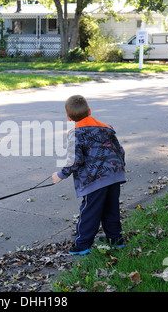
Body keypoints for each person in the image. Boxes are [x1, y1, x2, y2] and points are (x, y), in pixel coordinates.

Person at [52, 95, 126, 255]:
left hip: (94, 180)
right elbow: (120, 150)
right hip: (114, 175)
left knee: (90, 211)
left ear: (68, 117)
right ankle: (115, 239)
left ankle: (82, 244)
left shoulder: (76, 133)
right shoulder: (107, 128)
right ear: (90, 111)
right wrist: (120, 169)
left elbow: (75, 160)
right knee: (111, 208)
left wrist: (60, 175)